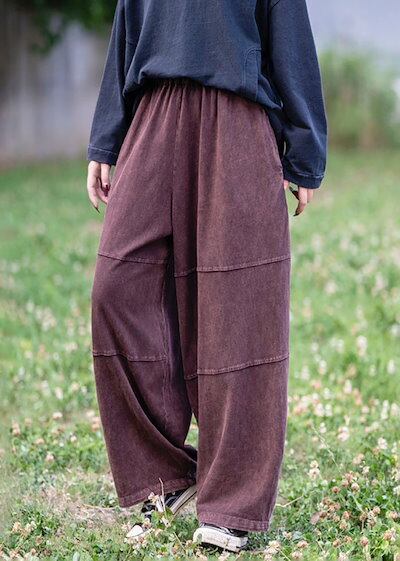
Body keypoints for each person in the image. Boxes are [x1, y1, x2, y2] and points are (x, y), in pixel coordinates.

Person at [86, 0, 327, 553]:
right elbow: (127, 28)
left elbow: (290, 37)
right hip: (152, 114)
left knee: (238, 307)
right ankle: (165, 476)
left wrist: (304, 146)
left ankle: (231, 505)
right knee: (116, 289)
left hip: (237, 117)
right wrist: (106, 135)